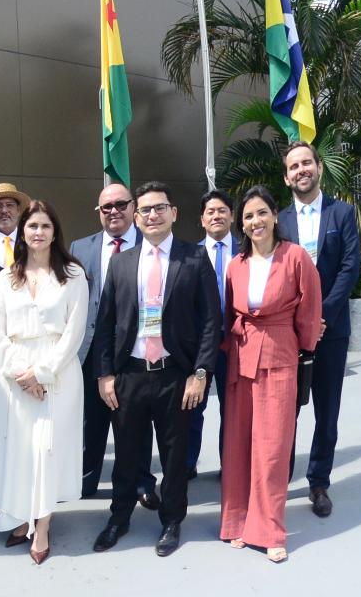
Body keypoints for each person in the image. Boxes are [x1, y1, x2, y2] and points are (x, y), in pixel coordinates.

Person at [91, 181, 221, 558]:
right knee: (127, 456)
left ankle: (172, 520)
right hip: (129, 376)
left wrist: (200, 374)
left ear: (173, 213)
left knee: (174, 456)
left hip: (175, 376)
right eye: (145, 209)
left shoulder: (194, 259)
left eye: (159, 208)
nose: (152, 215)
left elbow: (211, 322)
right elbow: (105, 325)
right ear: (136, 215)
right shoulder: (121, 263)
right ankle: (119, 518)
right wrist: (104, 375)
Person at [221, 186, 323, 563]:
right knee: (240, 443)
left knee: (273, 447)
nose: (255, 221)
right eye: (248, 216)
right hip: (242, 355)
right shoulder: (237, 264)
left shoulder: (295, 257)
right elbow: (230, 315)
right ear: (241, 224)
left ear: (275, 216)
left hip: (280, 355)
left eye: (262, 212)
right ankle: (238, 521)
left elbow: (310, 310)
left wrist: (304, 348)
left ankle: (269, 529)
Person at [0, 199, 88, 564]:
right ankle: (20, 515)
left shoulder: (73, 275)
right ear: (22, 233)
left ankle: (41, 527)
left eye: (45, 226)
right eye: (32, 226)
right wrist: (21, 375)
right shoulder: (3, 279)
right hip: (13, 377)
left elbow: (75, 333)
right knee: (21, 450)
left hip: (57, 373)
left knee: (47, 451)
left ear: (55, 231)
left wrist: (42, 374)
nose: (38, 232)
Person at [279, 142, 361, 518]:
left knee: (327, 413)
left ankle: (318, 483)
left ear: (319, 168)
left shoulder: (342, 213)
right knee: (286, 411)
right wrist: (301, 319)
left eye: (306, 163)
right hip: (290, 333)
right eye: (294, 166)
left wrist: (321, 314)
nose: (301, 170)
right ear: (286, 176)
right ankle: (279, 482)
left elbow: (349, 267)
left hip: (332, 330)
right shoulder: (279, 222)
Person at [70, 182, 155, 504]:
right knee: (91, 419)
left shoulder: (150, 245)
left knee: (136, 419)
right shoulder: (81, 248)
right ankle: (86, 480)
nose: (114, 211)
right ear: (99, 212)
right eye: (107, 207)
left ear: (133, 208)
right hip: (92, 349)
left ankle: (142, 482)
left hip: (137, 349)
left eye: (121, 204)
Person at [188, 189, 237, 480]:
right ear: (202, 220)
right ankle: (188, 463)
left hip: (235, 343)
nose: (216, 216)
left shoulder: (247, 250)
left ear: (231, 216)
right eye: (210, 212)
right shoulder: (190, 255)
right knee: (193, 408)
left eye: (222, 210)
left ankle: (229, 464)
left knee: (232, 411)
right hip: (200, 345)